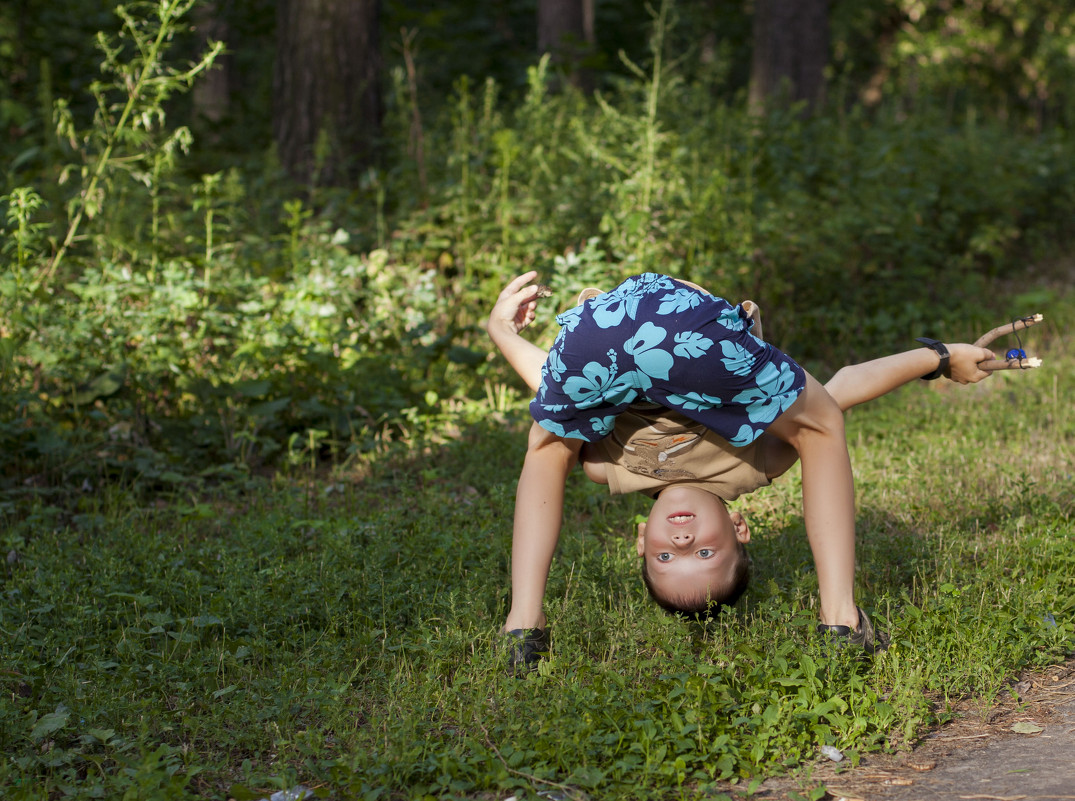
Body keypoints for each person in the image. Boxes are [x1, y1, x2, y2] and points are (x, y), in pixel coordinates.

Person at [486, 271, 995, 670]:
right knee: (819, 423)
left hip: (599, 340)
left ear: (641, 538)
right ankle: (839, 616)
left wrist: (501, 331)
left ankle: (524, 624)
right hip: (689, 338)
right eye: (705, 552)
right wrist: (938, 357)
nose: (683, 544)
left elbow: (553, 392)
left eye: (666, 556)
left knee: (551, 443)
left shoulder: (609, 468)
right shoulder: (755, 463)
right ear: (739, 528)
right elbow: (845, 385)